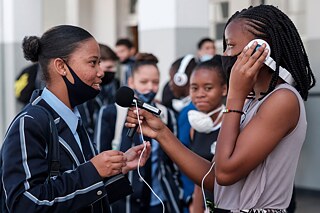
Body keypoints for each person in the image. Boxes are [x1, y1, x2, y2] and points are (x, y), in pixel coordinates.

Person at [125, 4, 315, 212]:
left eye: (231, 45)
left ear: (261, 50)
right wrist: (162, 133)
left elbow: (226, 174)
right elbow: (213, 177)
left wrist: (234, 97)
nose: (225, 54)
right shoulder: (252, 100)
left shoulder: (282, 100)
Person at [0, 25, 150, 213]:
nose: (101, 72)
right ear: (61, 67)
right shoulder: (30, 122)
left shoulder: (74, 120)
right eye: (92, 63)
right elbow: (24, 203)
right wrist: (93, 171)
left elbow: (83, 199)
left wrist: (117, 167)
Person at [95, 53, 182, 213]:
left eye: (155, 82)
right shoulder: (110, 113)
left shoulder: (166, 114)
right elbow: (100, 157)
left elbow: (174, 161)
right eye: (143, 82)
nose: (150, 87)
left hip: (159, 199)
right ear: (131, 82)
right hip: (124, 202)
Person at [187, 58, 227, 213]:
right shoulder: (195, 128)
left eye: (208, 88)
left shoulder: (232, 125)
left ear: (224, 89)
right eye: (194, 88)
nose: (200, 94)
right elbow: (199, 180)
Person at [78, 43, 120, 140]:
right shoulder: (84, 92)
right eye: (108, 67)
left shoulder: (111, 85)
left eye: (114, 67)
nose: (113, 71)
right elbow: (85, 126)